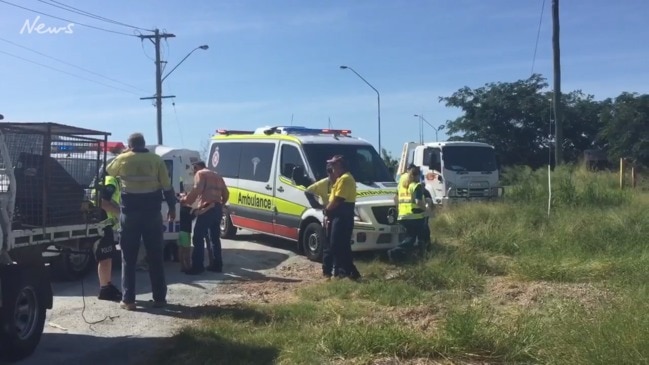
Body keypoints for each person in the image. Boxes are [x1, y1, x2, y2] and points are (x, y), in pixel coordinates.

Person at [106, 133, 176, 310]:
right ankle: (160, 298)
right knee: (156, 256)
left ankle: (128, 300)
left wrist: (124, 153)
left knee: (128, 258)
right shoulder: (156, 160)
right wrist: (172, 208)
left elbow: (108, 171)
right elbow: (167, 186)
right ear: (144, 143)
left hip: (130, 213)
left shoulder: (123, 158)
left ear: (130, 145)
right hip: (152, 212)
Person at [180, 161, 229, 275]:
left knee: (197, 236)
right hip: (217, 208)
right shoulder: (217, 176)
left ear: (197, 167)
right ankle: (217, 265)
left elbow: (197, 190)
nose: (194, 173)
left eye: (194, 170)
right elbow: (226, 194)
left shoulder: (200, 174)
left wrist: (186, 201)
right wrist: (220, 205)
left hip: (207, 208)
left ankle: (198, 266)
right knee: (214, 238)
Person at [323, 155, 360, 280]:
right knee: (341, 245)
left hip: (343, 216)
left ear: (339, 166)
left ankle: (347, 272)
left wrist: (327, 209)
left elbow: (338, 199)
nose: (331, 168)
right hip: (339, 216)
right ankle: (348, 273)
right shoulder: (340, 179)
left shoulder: (345, 179)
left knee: (337, 244)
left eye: (333, 165)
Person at [91, 174, 122, 302]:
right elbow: (103, 202)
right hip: (103, 224)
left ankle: (107, 286)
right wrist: (121, 213)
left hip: (101, 223)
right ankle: (105, 289)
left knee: (107, 257)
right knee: (105, 257)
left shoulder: (103, 180)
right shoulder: (111, 181)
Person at [388, 164, 427, 262]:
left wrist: (398, 210)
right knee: (414, 238)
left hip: (403, 215)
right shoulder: (415, 185)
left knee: (409, 237)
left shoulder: (401, 181)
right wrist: (426, 209)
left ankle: (403, 258)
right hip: (414, 215)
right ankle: (395, 252)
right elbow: (418, 202)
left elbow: (395, 198)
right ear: (416, 175)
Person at [304, 166, 337, 279]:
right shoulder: (323, 183)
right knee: (328, 245)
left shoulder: (342, 182)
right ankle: (327, 272)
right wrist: (317, 205)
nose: (332, 176)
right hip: (329, 216)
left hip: (340, 215)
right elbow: (308, 191)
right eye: (330, 173)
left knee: (338, 245)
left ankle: (337, 270)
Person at [177, 198, 193, 272]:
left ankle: (182, 266)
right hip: (186, 232)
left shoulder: (179, 210)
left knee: (181, 250)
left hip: (179, 232)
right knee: (187, 250)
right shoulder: (187, 210)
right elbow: (196, 214)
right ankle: (188, 267)